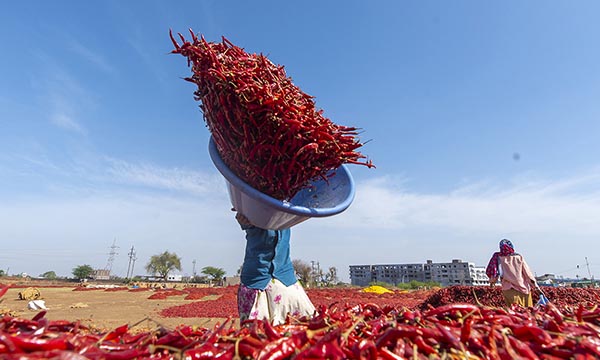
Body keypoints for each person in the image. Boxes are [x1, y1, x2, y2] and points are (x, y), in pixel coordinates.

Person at [235, 211, 315, 325]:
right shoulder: (253, 210)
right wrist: (243, 212)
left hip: (285, 278)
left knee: (305, 326)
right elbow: (244, 216)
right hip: (256, 280)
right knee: (256, 335)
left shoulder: (286, 213)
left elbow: (304, 210)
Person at [486, 239, 537, 307]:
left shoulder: (498, 258)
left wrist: (492, 283)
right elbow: (528, 274)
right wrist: (536, 286)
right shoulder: (518, 257)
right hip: (523, 289)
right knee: (527, 313)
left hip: (508, 290)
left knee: (514, 313)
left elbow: (495, 272)